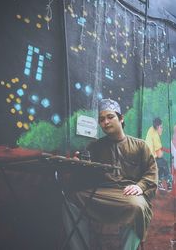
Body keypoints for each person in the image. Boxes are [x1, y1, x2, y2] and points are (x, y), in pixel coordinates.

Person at [63, 98, 158, 250]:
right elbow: (84, 175)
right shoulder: (95, 146)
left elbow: (151, 172)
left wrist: (140, 186)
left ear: (121, 118)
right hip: (101, 193)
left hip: (128, 193)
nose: (105, 122)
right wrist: (77, 164)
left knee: (138, 207)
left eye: (110, 117)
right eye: (101, 119)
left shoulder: (140, 145)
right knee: (70, 200)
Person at [145, 117, 172, 191]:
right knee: (164, 163)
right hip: (150, 159)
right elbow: (159, 154)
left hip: (147, 157)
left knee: (161, 163)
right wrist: (162, 152)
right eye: (161, 127)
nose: (162, 129)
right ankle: (168, 183)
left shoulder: (151, 129)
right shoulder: (156, 136)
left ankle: (159, 182)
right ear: (157, 127)